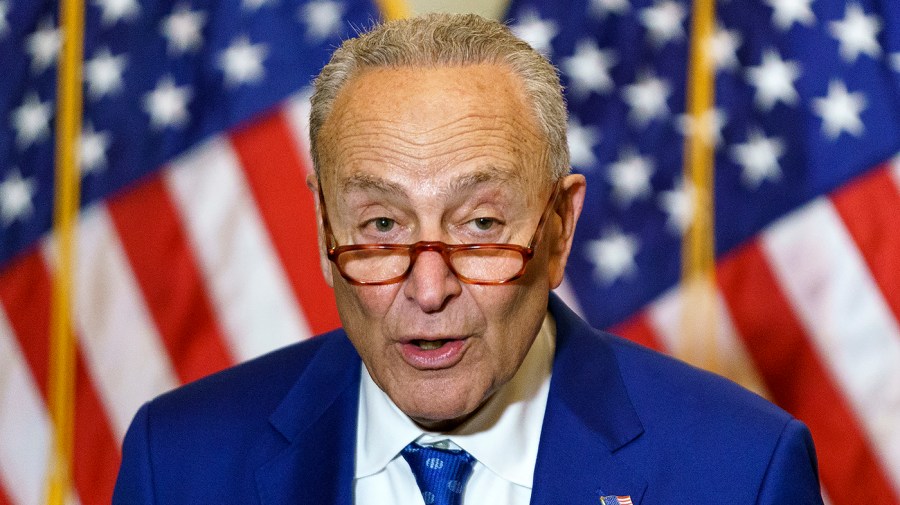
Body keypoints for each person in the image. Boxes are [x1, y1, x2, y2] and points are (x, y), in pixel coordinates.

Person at [113, 13, 824, 504]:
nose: (428, 288)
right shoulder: (177, 461)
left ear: (556, 228)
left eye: (480, 224)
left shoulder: (738, 471)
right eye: (383, 224)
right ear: (324, 227)